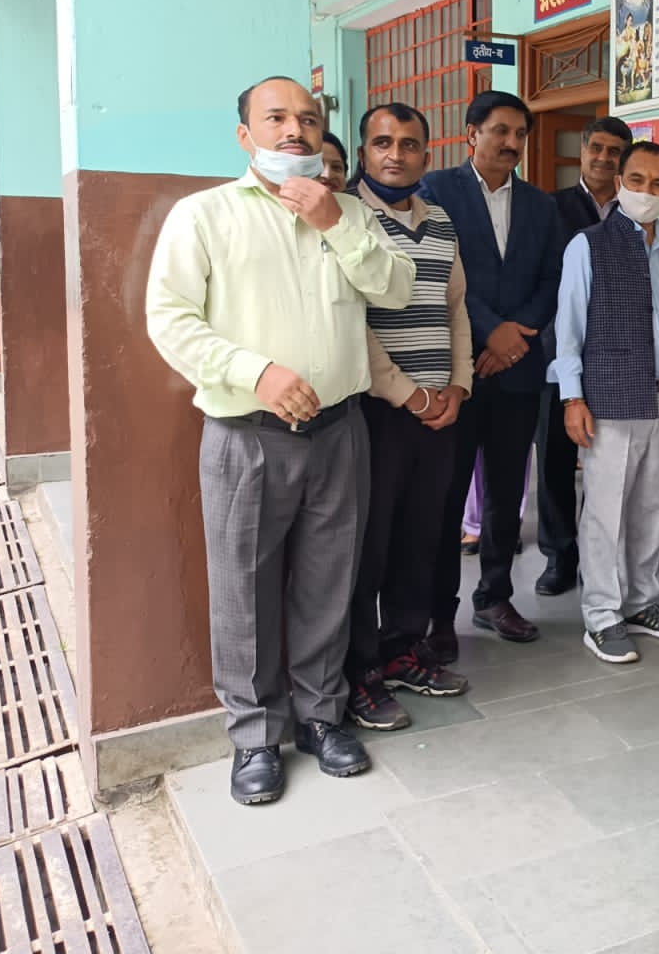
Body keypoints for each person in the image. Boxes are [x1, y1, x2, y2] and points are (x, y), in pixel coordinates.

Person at [145, 76, 415, 805]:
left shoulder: (348, 213)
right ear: (246, 135)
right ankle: (256, 737)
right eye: (276, 118)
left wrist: (335, 222)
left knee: (330, 582)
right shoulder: (205, 215)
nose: (295, 130)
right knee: (244, 590)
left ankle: (321, 717)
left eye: (308, 119)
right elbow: (170, 318)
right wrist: (254, 372)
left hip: (340, 431)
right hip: (248, 435)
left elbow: (395, 288)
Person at [421, 90, 563, 658]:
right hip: (456, 368)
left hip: (518, 372)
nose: (511, 143)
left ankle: (495, 597)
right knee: (446, 495)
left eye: (520, 134)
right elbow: (436, 269)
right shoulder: (436, 191)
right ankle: (438, 613)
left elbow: (552, 279)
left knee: (507, 493)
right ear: (471, 133)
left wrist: (514, 339)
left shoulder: (540, 205)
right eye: (500, 131)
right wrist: (490, 332)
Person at [345, 103, 472, 731]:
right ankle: (360, 671)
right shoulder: (344, 217)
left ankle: (402, 651)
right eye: (383, 142)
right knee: (368, 545)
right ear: (364, 152)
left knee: (421, 536)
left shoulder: (440, 220)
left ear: (427, 153)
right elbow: (353, 322)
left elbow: (457, 309)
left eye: (409, 144)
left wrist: (458, 386)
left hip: (439, 410)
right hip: (378, 412)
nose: (396, 154)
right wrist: (409, 395)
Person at [552, 139, 659, 664]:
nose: (646, 192)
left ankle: (640, 602)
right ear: (619, 183)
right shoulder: (587, 245)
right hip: (610, 398)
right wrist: (572, 397)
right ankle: (602, 615)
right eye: (637, 181)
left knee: (654, 506)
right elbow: (568, 330)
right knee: (605, 511)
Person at [535, 115, 631, 597]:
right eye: (597, 148)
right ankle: (559, 555)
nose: (604, 158)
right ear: (583, 151)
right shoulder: (550, 208)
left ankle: (601, 555)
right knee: (554, 459)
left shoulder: (634, 214)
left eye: (615, 152)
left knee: (607, 463)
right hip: (559, 354)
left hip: (617, 360)